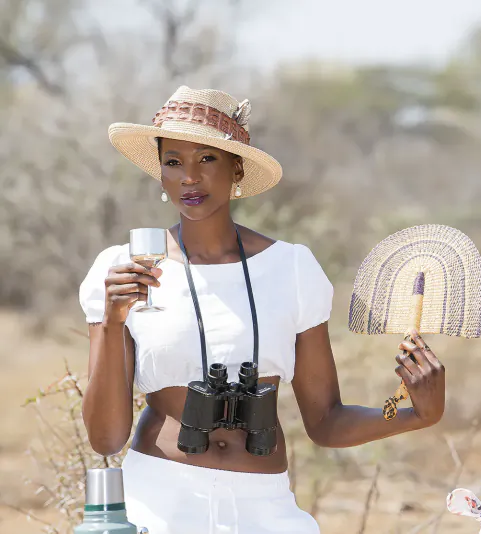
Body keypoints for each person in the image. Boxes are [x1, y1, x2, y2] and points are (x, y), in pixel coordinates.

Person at [78, 86, 446, 534]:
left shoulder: (291, 268)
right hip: (157, 502)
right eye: (173, 161)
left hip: (265, 507)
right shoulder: (121, 271)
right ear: (160, 174)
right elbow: (105, 439)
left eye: (206, 159)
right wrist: (111, 324)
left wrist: (414, 414)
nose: (189, 177)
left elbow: (326, 422)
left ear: (237, 169)